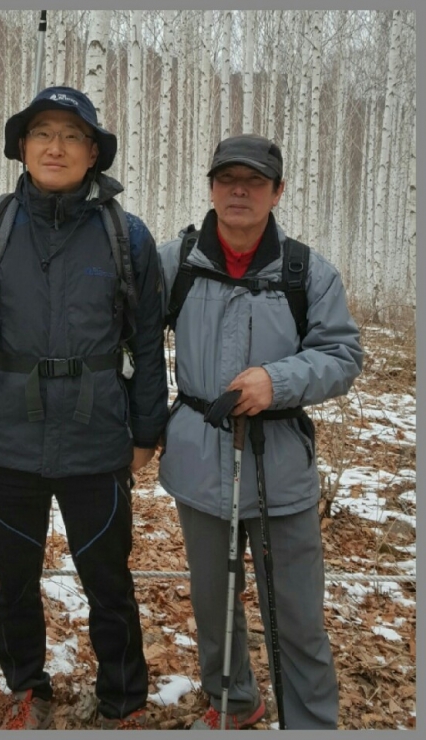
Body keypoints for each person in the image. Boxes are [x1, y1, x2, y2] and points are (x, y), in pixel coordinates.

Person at [0, 86, 168, 729]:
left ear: (94, 153)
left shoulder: (126, 236)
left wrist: (146, 430)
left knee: (109, 581)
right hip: (7, 440)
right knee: (15, 582)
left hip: (99, 438)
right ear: (22, 146)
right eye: (42, 133)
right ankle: (27, 691)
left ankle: (124, 700)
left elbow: (149, 341)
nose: (55, 147)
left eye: (71, 135)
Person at [157, 133, 363, 729]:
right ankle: (234, 704)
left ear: (278, 191)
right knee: (213, 601)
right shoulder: (176, 264)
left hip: (281, 468)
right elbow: (135, 339)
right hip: (200, 462)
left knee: (296, 614)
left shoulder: (306, 272)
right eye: (227, 179)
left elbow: (343, 355)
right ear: (212, 188)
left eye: (254, 181)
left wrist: (278, 380)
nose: (239, 191)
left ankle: (310, 723)